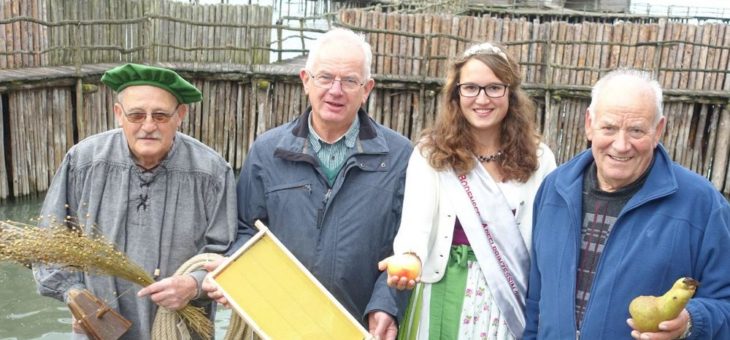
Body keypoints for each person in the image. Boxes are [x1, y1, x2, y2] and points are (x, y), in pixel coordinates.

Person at [203, 28, 413, 339]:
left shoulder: (400, 157)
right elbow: (247, 229)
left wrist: (386, 304)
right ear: (305, 80)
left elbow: (407, 246)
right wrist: (236, 273)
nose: (336, 90)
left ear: (367, 88)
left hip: (359, 325)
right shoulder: (268, 151)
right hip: (279, 323)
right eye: (325, 77)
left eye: (350, 80)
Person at [33, 63, 238, 339]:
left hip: (182, 331)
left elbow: (226, 254)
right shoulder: (82, 163)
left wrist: (193, 284)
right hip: (99, 331)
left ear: (180, 115)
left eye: (161, 116)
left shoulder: (211, 173)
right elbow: (50, 244)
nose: (148, 126)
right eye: (137, 115)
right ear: (119, 114)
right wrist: (75, 296)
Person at [524, 69, 730, 339]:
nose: (621, 145)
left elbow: (725, 302)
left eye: (636, 130)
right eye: (609, 128)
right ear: (589, 123)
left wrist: (692, 321)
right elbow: (537, 298)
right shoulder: (555, 189)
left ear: (658, 131)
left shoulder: (702, 204)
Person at [379, 42, 556, 340]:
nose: (482, 99)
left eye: (494, 88)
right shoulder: (430, 153)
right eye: (471, 88)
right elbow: (414, 226)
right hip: (441, 289)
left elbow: (546, 238)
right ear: (456, 93)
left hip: (508, 299)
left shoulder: (540, 158)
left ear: (510, 94)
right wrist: (409, 257)